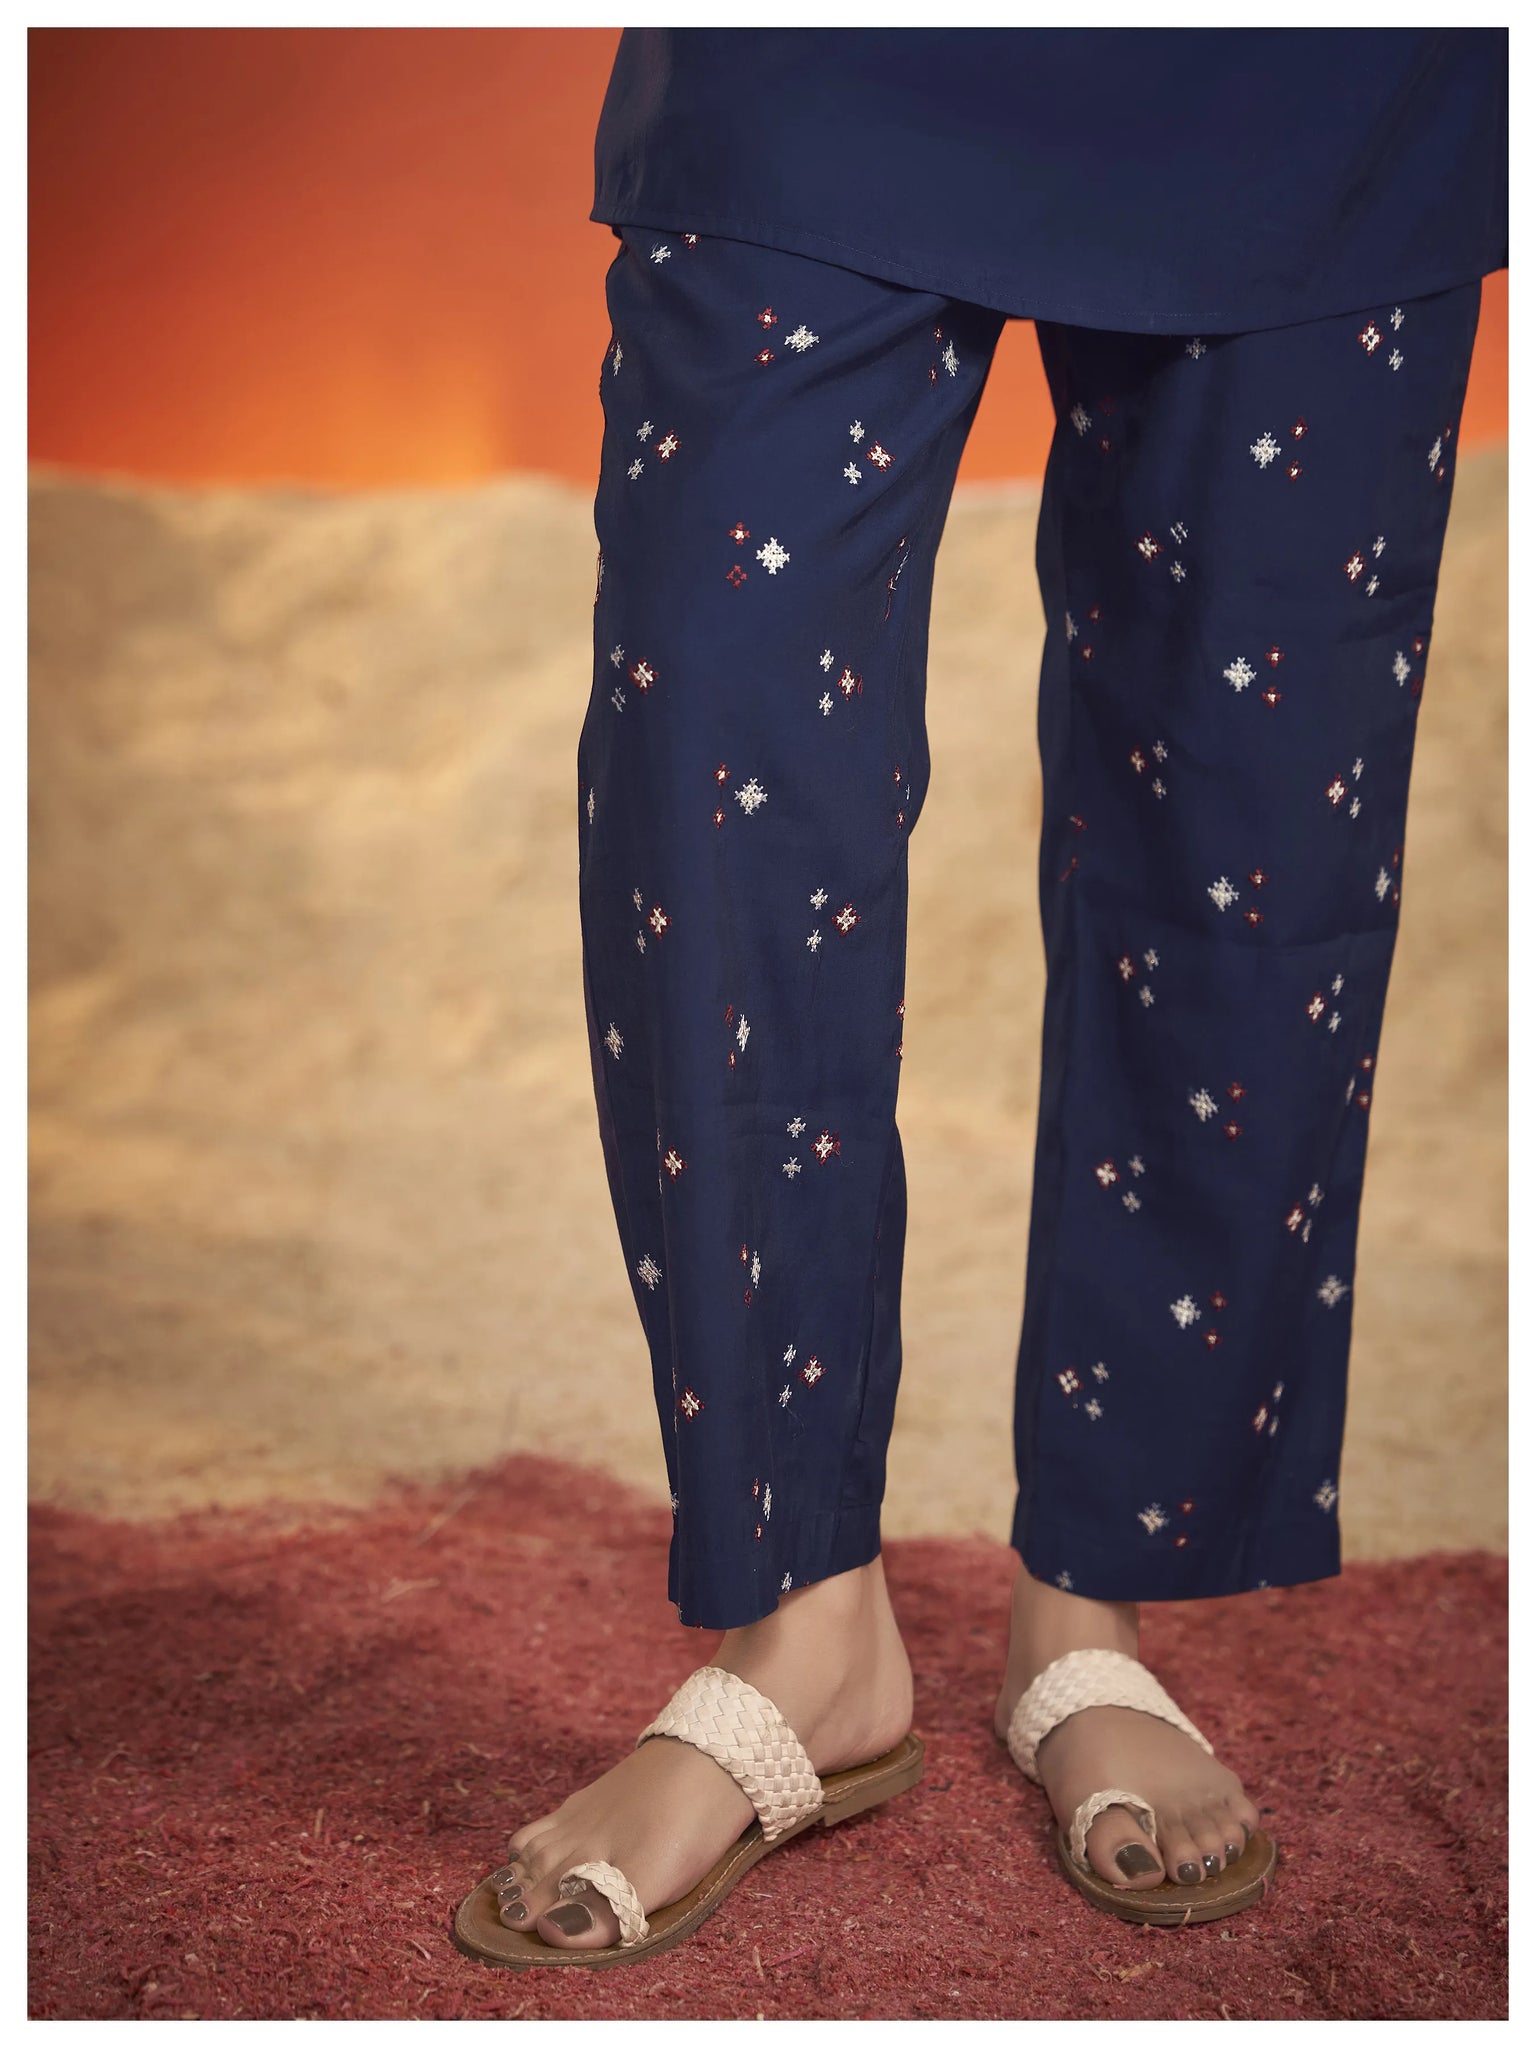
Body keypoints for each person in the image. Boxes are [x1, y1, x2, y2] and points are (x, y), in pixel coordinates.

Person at [454, 26, 1507, 1966]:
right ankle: (805, 1621)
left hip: (1315, 82)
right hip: (835, 60)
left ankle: (1093, 1596)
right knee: (712, 747)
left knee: (1248, 820)